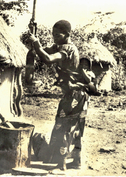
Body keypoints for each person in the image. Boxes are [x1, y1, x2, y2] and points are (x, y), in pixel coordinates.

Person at [27, 20, 89, 170]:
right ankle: (76, 161)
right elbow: (44, 51)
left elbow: (48, 59)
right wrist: (35, 39)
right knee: (74, 129)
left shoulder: (68, 49)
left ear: (67, 34)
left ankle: (60, 165)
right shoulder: (59, 46)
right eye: (53, 34)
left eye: (57, 34)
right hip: (77, 95)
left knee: (64, 128)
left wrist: (36, 44)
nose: (54, 37)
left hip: (74, 95)